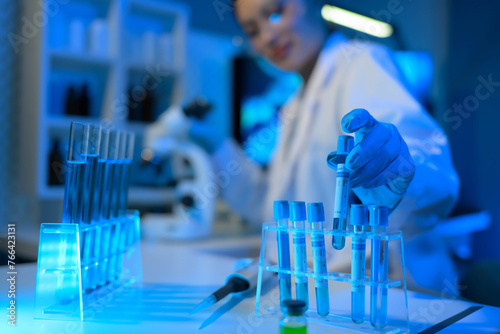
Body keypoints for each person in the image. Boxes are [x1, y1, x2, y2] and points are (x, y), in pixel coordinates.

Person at [148, 0, 459, 294]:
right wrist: (215, 144)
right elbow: (269, 206)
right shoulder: (294, 104)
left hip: (383, 291)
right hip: (321, 289)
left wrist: (397, 170)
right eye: (253, 31)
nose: (268, 36)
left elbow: (425, 161)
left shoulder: (360, 60)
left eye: (274, 12)